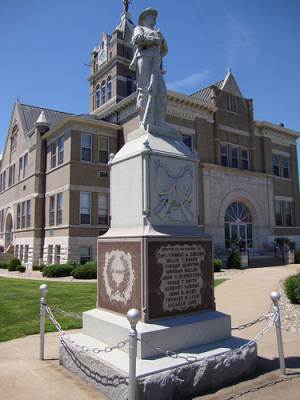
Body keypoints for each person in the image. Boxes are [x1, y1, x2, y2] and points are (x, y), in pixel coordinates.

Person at [129, 8, 168, 129]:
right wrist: (154, 40)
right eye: (152, 16)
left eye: (155, 16)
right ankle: (144, 120)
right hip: (144, 58)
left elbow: (165, 51)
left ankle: (160, 121)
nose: (154, 18)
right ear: (144, 18)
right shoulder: (139, 28)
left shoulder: (157, 32)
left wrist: (162, 40)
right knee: (144, 89)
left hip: (157, 63)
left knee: (161, 91)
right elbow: (136, 39)